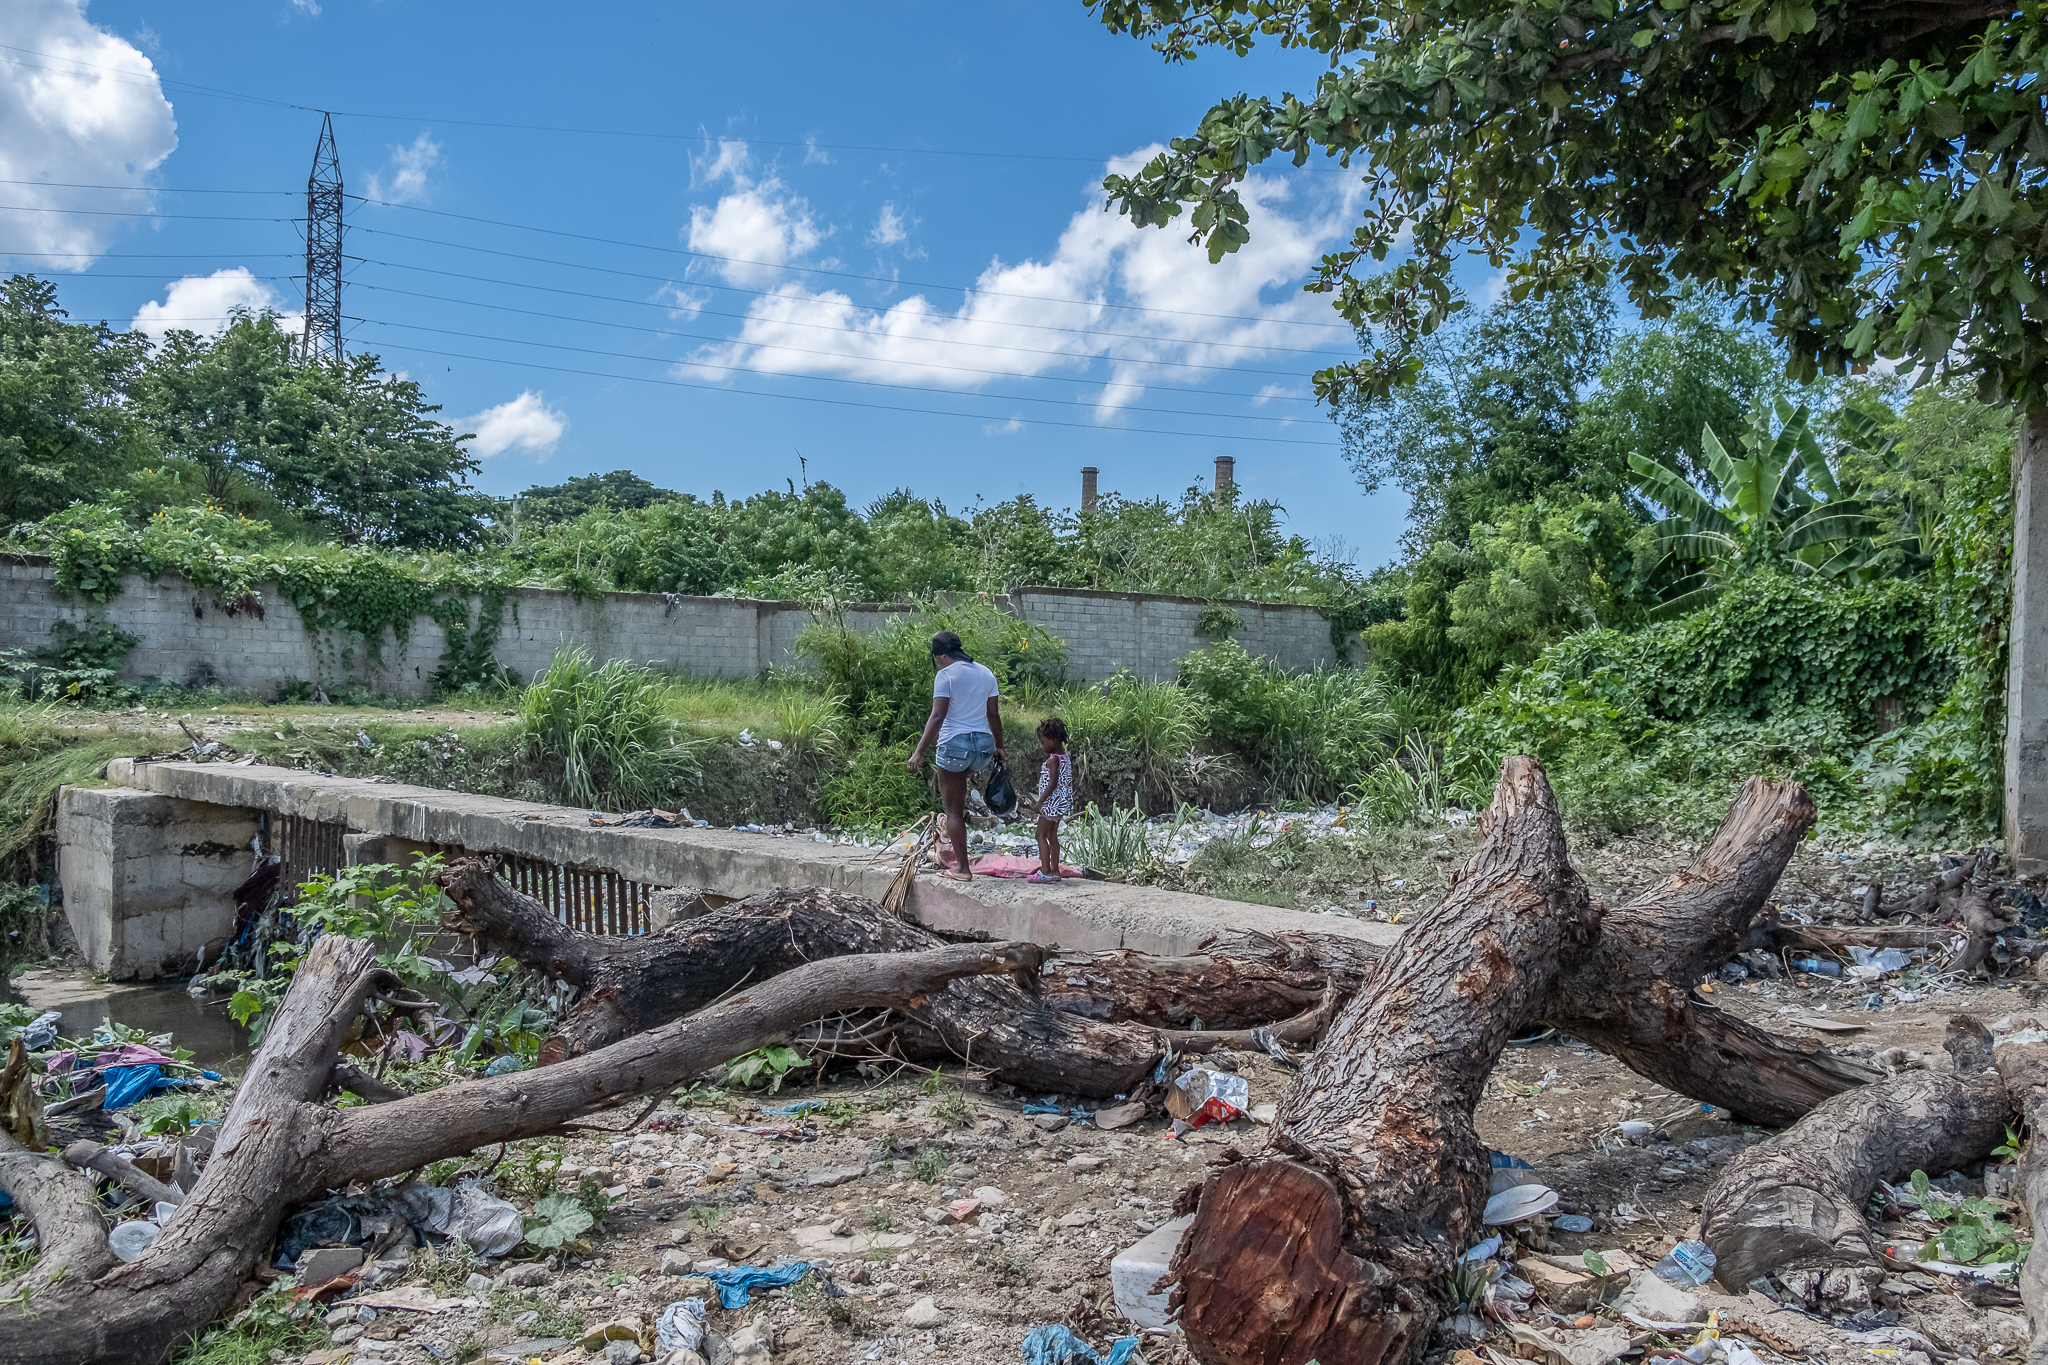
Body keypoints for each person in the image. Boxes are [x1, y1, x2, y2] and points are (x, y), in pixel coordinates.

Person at [906, 630, 1004, 882]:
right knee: (958, 781)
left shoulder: (945, 675)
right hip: (983, 747)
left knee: (953, 810)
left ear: (940, 655)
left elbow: (937, 716)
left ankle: (962, 868)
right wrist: (999, 747)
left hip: (954, 746)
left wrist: (918, 752)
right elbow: (993, 715)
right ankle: (952, 822)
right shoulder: (986, 672)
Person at [1029, 716, 1074, 883]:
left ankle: (1045, 870)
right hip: (1060, 803)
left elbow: (1053, 783)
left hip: (1050, 804)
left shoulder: (1054, 759)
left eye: (1043, 742)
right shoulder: (1065, 757)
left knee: (1040, 835)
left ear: (1053, 740)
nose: (1042, 746)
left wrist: (1040, 802)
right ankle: (1055, 870)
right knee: (1052, 835)